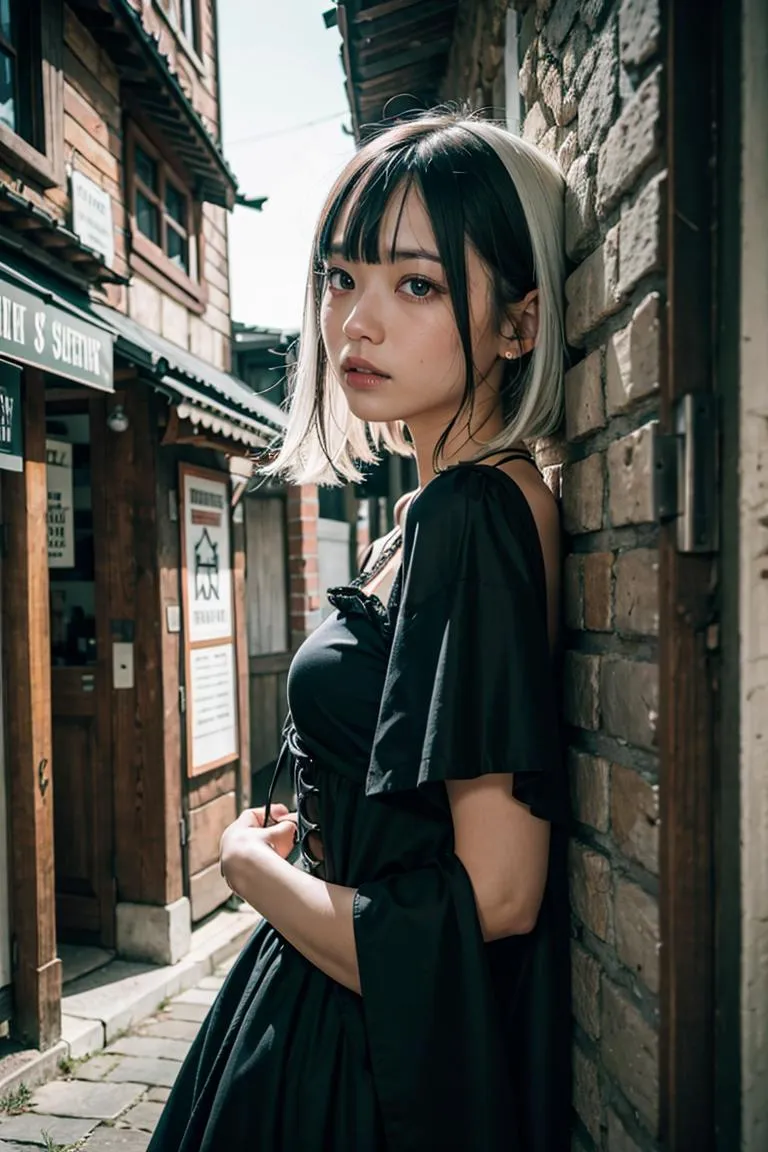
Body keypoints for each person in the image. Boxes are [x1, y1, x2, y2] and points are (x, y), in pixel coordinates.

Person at [149, 109, 570, 1152]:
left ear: (521, 323)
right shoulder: (428, 514)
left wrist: (251, 872)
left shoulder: (475, 516)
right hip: (335, 1012)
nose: (355, 325)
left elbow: (499, 897)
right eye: (342, 278)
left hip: (364, 1061)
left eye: (416, 284)